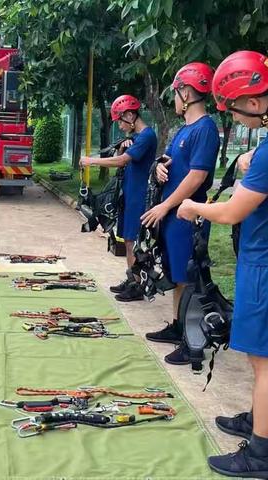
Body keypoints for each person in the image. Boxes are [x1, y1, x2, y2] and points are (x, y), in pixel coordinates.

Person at [178, 50, 268, 479]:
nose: (238, 120)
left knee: (263, 360)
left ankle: (260, 454)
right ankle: (258, 421)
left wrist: (195, 207)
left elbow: (232, 211)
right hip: (260, 257)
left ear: (254, 101)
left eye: (235, 109)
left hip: (264, 264)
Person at [140, 63, 220, 364]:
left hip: (189, 215)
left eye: (175, 93)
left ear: (185, 92)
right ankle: (178, 327)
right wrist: (160, 165)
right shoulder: (184, 130)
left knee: (190, 278)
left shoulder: (206, 129)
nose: (173, 99)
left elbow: (197, 177)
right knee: (178, 275)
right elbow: (170, 159)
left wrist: (165, 205)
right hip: (175, 215)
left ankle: (193, 340)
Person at [80, 95, 157, 301]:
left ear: (131, 115)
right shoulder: (137, 137)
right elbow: (126, 157)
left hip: (139, 196)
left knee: (133, 241)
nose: (120, 126)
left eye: (121, 121)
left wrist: (91, 161)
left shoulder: (147, 136)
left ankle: (138, 286)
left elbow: (122, 161)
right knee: (128, 239)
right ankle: (132, 279)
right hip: (129, 194)